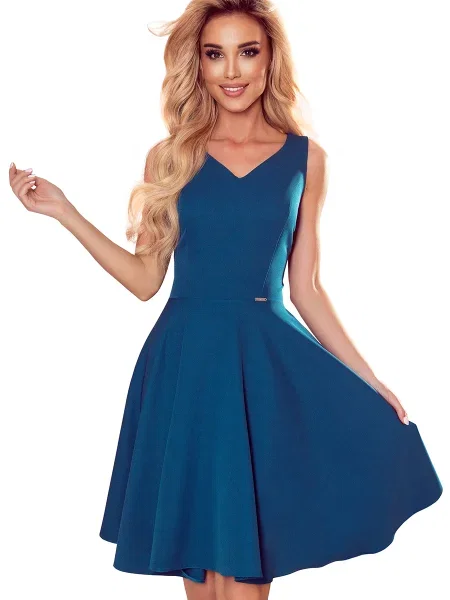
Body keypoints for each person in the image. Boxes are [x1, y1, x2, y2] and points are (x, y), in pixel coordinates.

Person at [8, 2, 443, 599]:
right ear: (199, 64)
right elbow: (145, 279)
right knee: (202, 578)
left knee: (244, 578)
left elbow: (307, 287)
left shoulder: (306, 158)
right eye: (215, 54)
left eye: (247, 52)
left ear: (270, 60)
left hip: (263, 372)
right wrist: (64, 211)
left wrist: (370, 381)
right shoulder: (170, 157)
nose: (231, 70)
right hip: (185, 369)